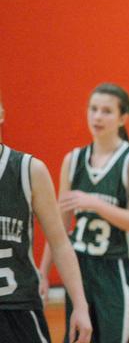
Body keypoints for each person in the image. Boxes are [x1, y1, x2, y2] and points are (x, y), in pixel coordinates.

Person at [40, 83, 129, 343]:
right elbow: (58, 226)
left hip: (116, 268)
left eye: (106, 111)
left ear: (123, 118)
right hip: (79, 268)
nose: (97, 117)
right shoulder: (73, 160)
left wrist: (96, 204)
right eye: (93, 109)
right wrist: (43, 271)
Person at [0, 94, 92, 343]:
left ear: (1, 114)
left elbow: (60, 242)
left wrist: (80, 305)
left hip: (20, 308)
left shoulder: (29, 170)